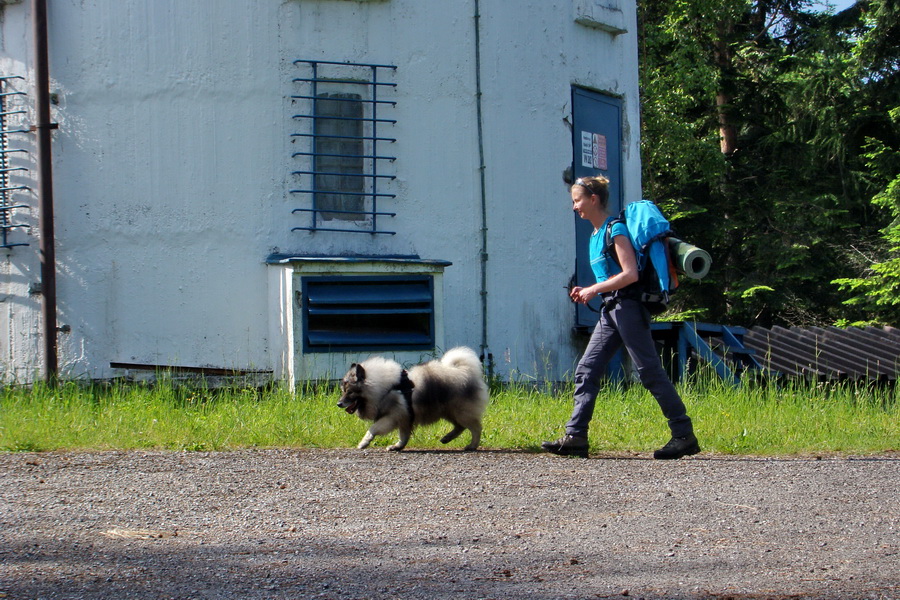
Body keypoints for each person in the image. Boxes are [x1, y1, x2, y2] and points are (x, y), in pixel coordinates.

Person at [542, 175, 700, 459]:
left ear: (593, 199)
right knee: (587, 370)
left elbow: (630, 274)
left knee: (649, 371)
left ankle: (683, 434)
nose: (574, 207)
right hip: (611, 308)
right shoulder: (594, 234)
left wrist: (591, 289)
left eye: (577, 200)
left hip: (628, 307)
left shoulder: (615, 230)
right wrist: (592, 291)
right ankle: (576, 436)